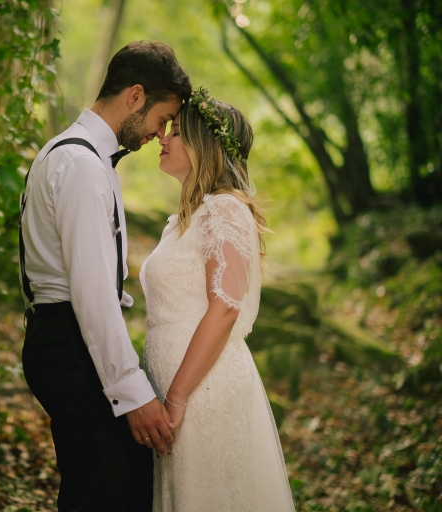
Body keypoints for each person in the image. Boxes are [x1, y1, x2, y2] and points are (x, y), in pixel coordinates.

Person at [19, 41, 191, 512]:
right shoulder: (80, 166)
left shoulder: (80, 157)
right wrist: (132, 394)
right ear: (135, 96)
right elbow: (93, 295)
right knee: (104, 491)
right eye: (161, 120)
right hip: (69, 340)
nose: (160, 135)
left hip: (65, 337)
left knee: (108, 483)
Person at [142, 86, 296, 511]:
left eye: (176, 131)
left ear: (204, 146)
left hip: (200, 393)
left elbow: (225, 306)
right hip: (176, 391)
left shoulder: (224, 210)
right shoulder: (186, 219)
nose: (163, 137)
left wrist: (176, 398)